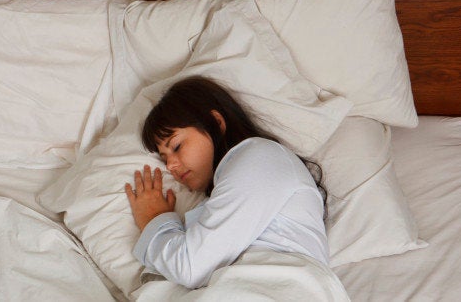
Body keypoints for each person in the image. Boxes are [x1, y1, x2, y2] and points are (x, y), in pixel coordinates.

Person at [124, 76, 329, 289]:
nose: (170, 167)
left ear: (216, 122)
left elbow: (192, 266)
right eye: (164, 158)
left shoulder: (260, 156)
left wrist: (154, 220)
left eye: (176, 147)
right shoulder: (223, 199)